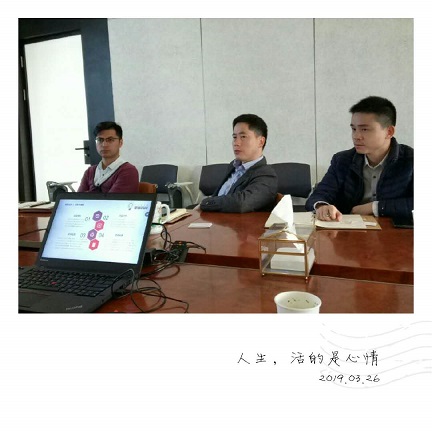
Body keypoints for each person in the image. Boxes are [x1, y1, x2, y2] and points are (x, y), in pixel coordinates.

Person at [305, 96, 413, 220]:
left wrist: (375, 207)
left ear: (389, 132)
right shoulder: (342, 160)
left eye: (365, 129)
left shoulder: (411, 160)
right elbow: (318, 195)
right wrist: (321, 206)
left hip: (394, 229)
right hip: (350, 228)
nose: (356, 136)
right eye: (354, 129)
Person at [199, 114, 278, 213]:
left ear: (261, 142)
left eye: (243, 137)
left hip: (238, 222)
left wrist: (206, 203)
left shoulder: (267, 175)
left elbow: (242, 203)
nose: (236, 143)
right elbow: (220, 195)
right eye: (234, 137)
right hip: (215, 218)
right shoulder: (233, 166)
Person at [78, 121, 139, 193]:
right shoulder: (90, 171)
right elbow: (77, 198)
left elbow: (112, 200)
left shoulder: (128, 171)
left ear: (120, 142)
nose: (104, 144)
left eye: (110, 140)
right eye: (100, 140)